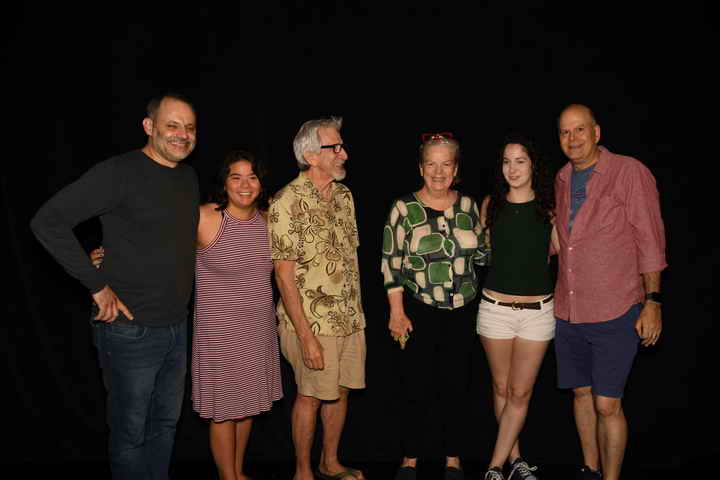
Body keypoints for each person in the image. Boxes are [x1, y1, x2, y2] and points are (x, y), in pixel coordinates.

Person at [30, 93, 199, 479]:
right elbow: (48, 222)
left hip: (176, 327)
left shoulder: (188, 177)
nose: (182, 134)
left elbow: (169, 238)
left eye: (190, 128)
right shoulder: (118, 172)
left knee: (165, 425)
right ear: (149, 126)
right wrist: (96, 284)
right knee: (130, 434)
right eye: (172, 125)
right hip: (129, 330)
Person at [92, 150, 283, 480]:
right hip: (219, 333)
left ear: (261, 182)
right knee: (224, 410)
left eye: (252, 177)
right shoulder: (204, 217)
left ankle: (238, 473)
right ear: (224, 183)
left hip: (258, 329)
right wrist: (108, 256)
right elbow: (155, 240)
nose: (245, 185)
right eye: (236, 177)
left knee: (248, 405)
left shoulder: (269, 219)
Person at [553, 104, 667, 480]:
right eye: (565, 132)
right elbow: (562, 240)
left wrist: (653, 301)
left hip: (615, 308)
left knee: (607, 404)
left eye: (579, 129)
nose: (572, 138)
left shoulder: (628, 172)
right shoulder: (561, 178)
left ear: (596, 132)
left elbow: (650, 239)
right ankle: (590, 469)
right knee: (581, 395)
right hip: (569, 309)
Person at [381, 132, 488, 480]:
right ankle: (409, 459)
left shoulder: (470, 206)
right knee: (415, 387)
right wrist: (397, 312)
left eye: (446, 165)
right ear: (421, 168)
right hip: (418, 309)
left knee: (457, 387)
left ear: (455, 169)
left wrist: (490, 227)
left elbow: (483, 257)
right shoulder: (403, 208)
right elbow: (390, 263)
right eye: (431, 164)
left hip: (463, 310)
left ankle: (453, 460)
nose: (438, 172)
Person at [268, 117, 367, 480]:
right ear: (310, 155)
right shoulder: (286, 201)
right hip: (310, 322)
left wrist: (357, 317)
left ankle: (330, 462)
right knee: (310, 395)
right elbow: (283, 276)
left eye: (342, 146)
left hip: (349, 318)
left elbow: (349, 260)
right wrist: (306, 336)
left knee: (340, 391)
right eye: (334, 147)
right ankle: (303, 472)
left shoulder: (345, 196)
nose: (344, 153)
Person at [476, 134, 556, 480]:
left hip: (538, 313)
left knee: (520, 392)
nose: (512, 168)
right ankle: (516, 462)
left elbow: (562, 253)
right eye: (507, 162)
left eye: (520, 161)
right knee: (502, 389)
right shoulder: (490, 204)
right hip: (495, 310)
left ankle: (493, 466)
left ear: (533, 165)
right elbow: (483, 251)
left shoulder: (550, 208)